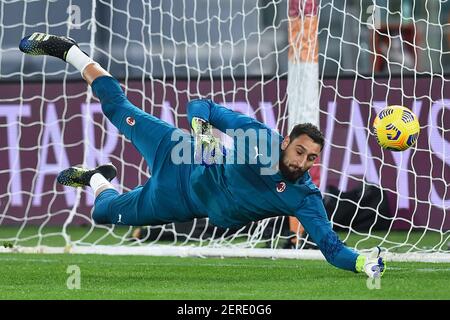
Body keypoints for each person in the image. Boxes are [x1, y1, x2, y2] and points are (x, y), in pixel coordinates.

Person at [19, 33, 385, 278]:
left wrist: (362, 263)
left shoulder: (304, 197)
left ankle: (95, 178)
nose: (302, 162)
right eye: (299, 151)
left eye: (311, 159)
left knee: (102, 211)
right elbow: (201, 106)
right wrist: (202, 132)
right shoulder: (256, 137)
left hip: (176, 200)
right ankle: (68, 50)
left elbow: (331, 248)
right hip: (181, 151)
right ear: (286, 140)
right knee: (117, 107)